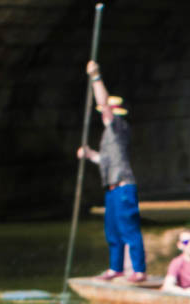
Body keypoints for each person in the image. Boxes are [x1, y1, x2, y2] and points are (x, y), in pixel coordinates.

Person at [77, 59, 146, 283]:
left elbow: (104, 104)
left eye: (107, 111)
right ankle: (115, 268)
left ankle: (138, 270)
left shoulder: (119, 126)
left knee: (129, 229)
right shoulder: (109, 135)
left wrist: (96, 77)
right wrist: (90, 155)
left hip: (124, 186)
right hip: (111, 187)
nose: (104, 114)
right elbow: (106, 160)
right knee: (113, 231)